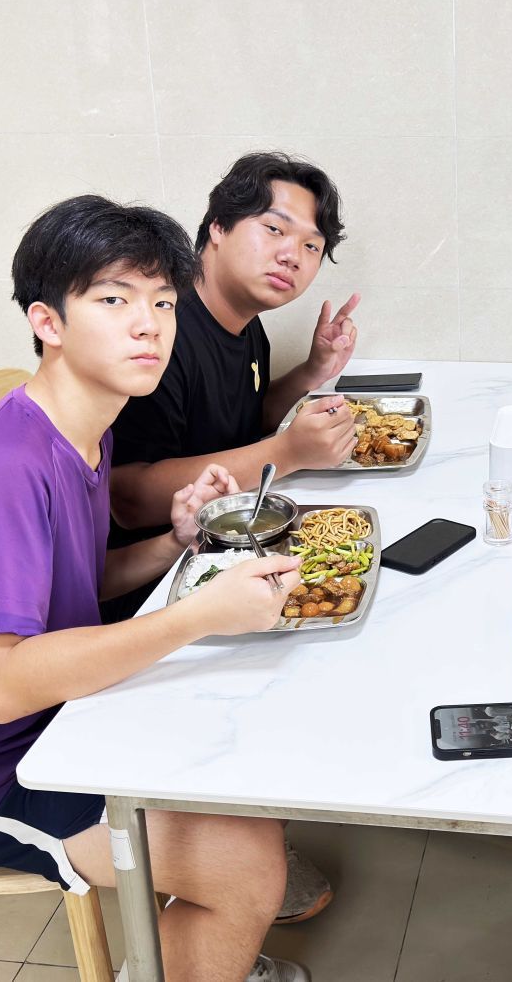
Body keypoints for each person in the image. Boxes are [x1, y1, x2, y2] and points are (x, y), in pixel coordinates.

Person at [0, 195, 311, 982]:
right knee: (246, 864)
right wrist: (196, 615)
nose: (149, 325)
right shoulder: (5, 466)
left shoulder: (84, 429)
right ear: (48, 321)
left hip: (63, 714)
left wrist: (175, 544)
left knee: (258, 740)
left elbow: (72, 586)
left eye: (163, 302)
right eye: (114, 301)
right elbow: (5, 688)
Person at [102, 151, 355, 920]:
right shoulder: (165, 330)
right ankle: (223, 835)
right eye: (275, 229)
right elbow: (129, 495)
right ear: (215, 228)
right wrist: (289, 452)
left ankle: (252, 817)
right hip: (139, 587)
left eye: (311, 245)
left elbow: (236, 426)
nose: (293, 255)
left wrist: (308, 375)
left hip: (203, 551)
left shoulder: (242, 329)